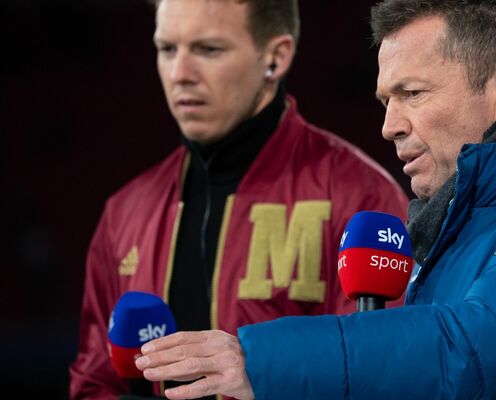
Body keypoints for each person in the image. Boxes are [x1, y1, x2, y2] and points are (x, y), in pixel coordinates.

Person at [134, 0, 496, 398]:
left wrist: (263, 362)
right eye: (386, 100)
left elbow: (488, 350)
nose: (389, 125)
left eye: (412, 93)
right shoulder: (464, 227)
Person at [69, 0, 408, 398]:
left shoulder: (362, 197)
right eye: (167, 49)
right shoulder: (124, 211)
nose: (179, 74)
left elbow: (383, 374)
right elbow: (94, 383)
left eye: (208, 49)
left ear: (276, 57)